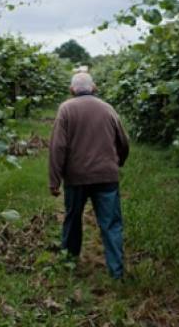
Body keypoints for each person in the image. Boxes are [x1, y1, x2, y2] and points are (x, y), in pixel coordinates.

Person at [48, 72, 130, 279]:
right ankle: (117, 272)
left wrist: (54, 180)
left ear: (71, 90)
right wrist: (117, 162)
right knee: (110, 224)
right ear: (94, 88)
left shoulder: (66, 109)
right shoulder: (107, 108)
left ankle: (69, 262)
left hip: (76, 177)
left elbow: (58, 147)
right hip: (106, 175)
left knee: (72, 219)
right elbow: (123, 141)